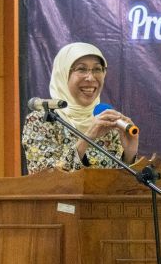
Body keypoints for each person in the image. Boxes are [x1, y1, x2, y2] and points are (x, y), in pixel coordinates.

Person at [22, 42, 139, 173]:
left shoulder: (107, 121)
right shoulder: (42, 120)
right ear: (63, 74)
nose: (91, 77)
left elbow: (121, 182)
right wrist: (87, 138)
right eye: (82, 69)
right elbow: (44, 177)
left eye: (97, 69)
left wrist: (129, 155)